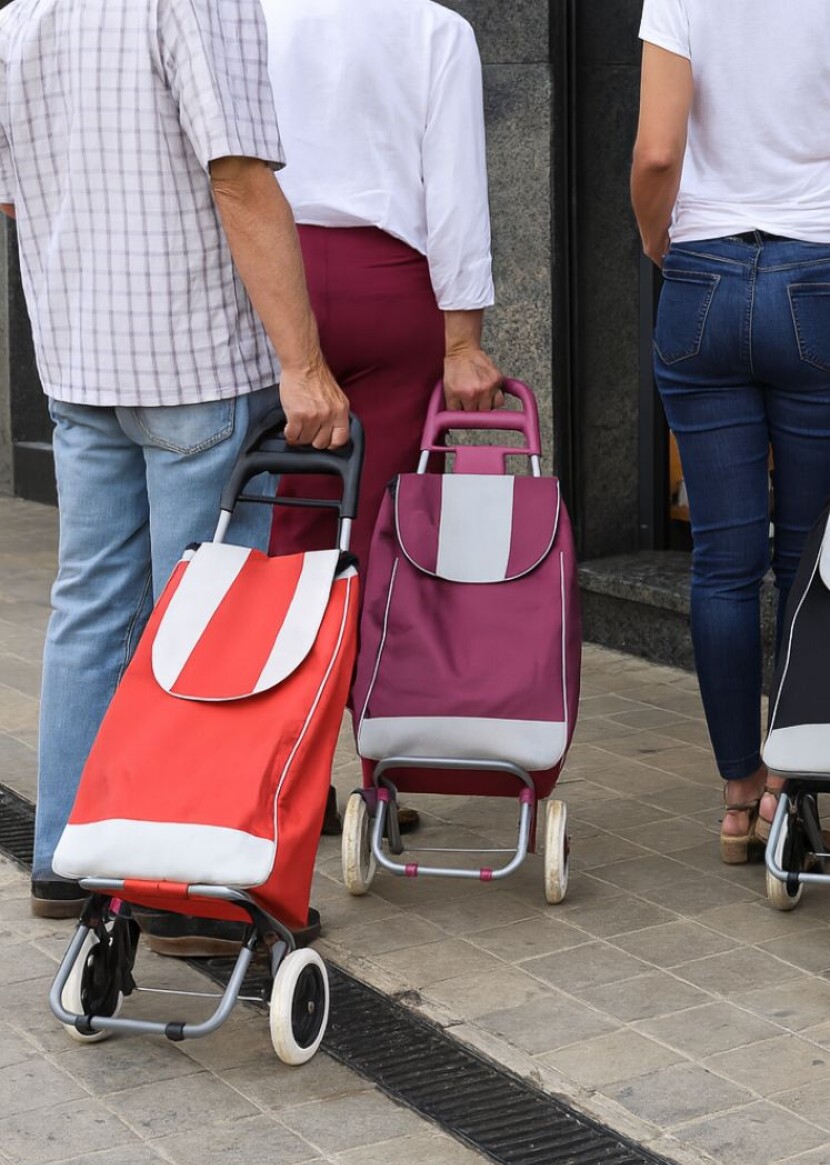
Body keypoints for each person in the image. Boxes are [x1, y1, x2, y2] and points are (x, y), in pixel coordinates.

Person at [0, 0, 349, 919]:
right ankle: (184, 890)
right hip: (193, 362)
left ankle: (64, 861)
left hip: (79, 361)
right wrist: (304, 363)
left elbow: (12, 193)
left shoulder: (25, 11)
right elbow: (238, 178)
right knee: (209, 624)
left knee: (91, 607)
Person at [632, 0, 830, 863]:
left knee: (723, 562)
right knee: (809, 560)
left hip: (704, 273)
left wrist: (665, 244)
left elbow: (657, 151)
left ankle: (739, 796)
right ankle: (789, 791)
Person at [259, 0, 504, 835]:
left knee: (287, 545)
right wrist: (464, 339)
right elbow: (457, 188)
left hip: (273, 280)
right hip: (392, 283)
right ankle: (377, 783)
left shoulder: (249, 12)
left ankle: (285, 783)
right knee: (378, 549)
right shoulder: (435, 29)